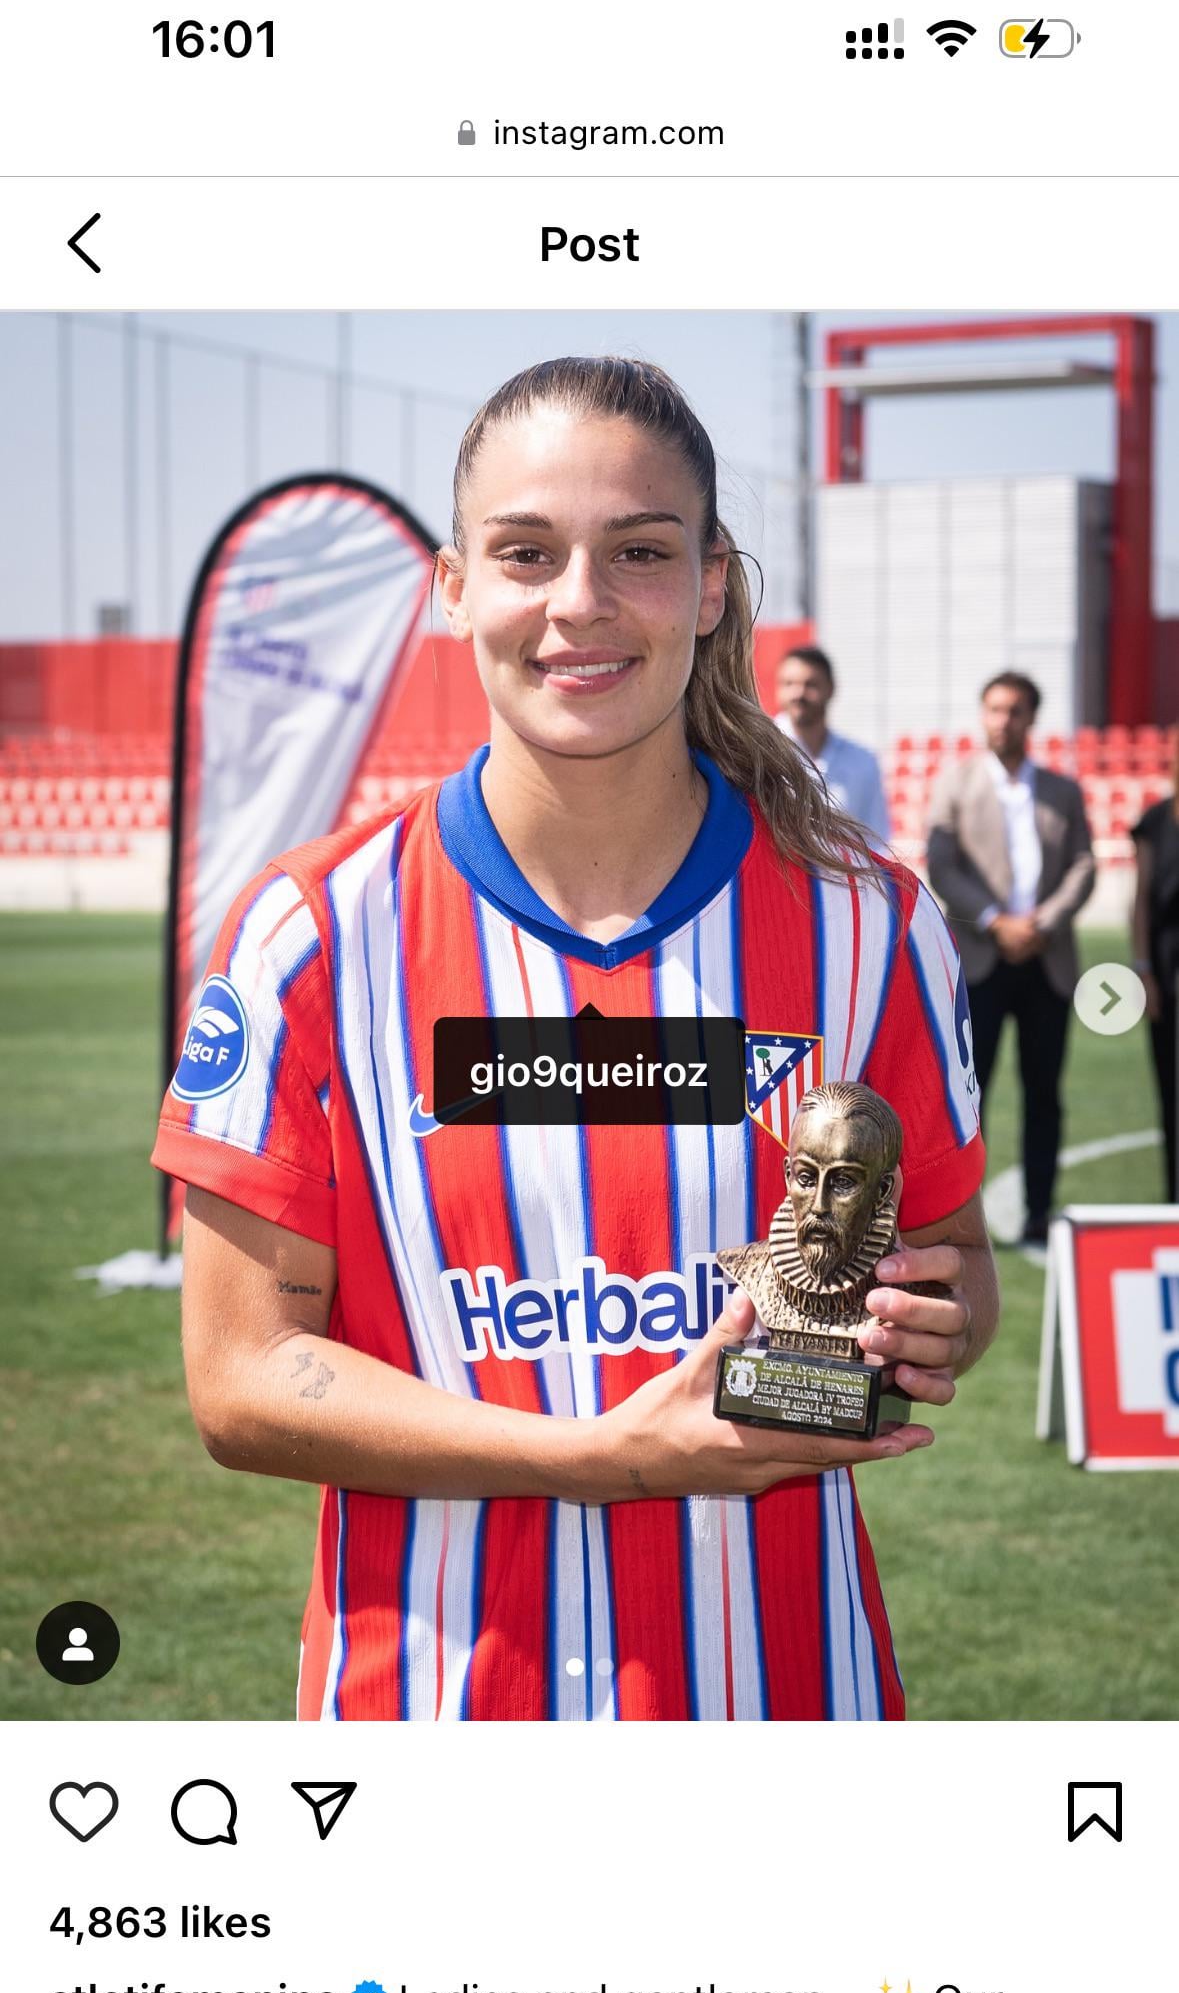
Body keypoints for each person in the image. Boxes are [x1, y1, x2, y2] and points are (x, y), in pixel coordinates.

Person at [153, 356, 997, 1723]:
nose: (579, 602)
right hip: (429, 1723)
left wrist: (934, 1320)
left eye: (639, 552)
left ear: (711, 585)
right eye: (526, 552)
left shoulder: (870, 925)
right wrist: (605, 1457)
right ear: (453, 588)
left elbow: (957, 1263)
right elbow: (239, 1381)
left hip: (786, 1708)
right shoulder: (311, 935)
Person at [926, 671, 1095, 1248]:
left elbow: (1083, 865)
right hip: (981, 961)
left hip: (1047, 962)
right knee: (969, 1098)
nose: (1003, 720)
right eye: (995, 709)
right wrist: (997, 922)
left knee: (1044, 1093)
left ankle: (1039, 1213)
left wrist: (1042, 923)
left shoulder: (1062, 791)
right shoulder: (955, 784)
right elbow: (943, 865)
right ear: (984, 714)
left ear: (1031, 718)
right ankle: (960, 1216)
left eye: (1015, 710)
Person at [774, 645, 891, 847]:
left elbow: (876, 840)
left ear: (831, 689)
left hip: (843, 867)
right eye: (789, 683)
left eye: (810, 684)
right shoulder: (759, 751)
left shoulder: (862, 761)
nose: (798, 693)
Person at [1131, 753, 1179, 1201]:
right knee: (1173, 1097)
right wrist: (1143, 971)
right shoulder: (1155, 823)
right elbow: (1142, 901)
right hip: (1167, 981)